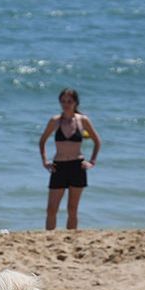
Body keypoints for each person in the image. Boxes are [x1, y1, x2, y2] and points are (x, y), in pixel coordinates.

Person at [38, 88, 101, 230]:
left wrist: (92, 161)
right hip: (58, 167)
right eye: (63, 101)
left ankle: (71, 238)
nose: (66, 104)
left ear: (75, 103)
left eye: (69, 101)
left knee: (72, 209)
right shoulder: (55, 121)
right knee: (51, 209)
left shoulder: (82, 120)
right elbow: (42, 141)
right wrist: (45, 161)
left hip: (77, 167)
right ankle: (50, 237)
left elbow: (97, 141)